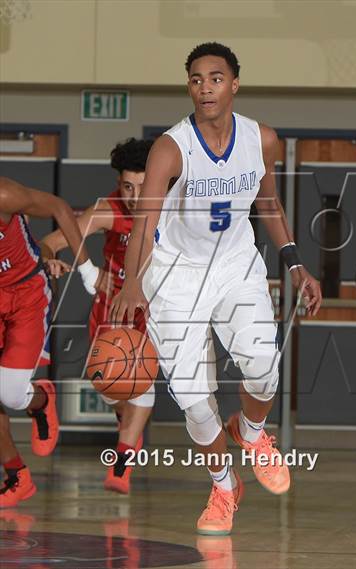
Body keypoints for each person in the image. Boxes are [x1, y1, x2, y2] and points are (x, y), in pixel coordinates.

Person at [110, 42, 322, 534]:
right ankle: (225, 488)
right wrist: (134, 282)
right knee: (194, 403)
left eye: (215, 77)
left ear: (234, 84)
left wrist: (294, 265)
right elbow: (145, 224)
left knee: (264, 369)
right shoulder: (170, 147)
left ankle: (250, 433)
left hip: (234, 265)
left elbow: (268, 203)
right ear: (189, 87)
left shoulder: (262, 139)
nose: (205, 87)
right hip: (175, 276)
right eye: (196, 79)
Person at [42, 139, 156, 495]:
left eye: (143, 186)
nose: (135, 197)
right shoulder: (109, 209)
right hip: (113, 306)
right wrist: (68, 265)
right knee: (109, 385)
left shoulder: (175, 208)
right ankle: (126, 424)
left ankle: (121, 462)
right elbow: (51, 241)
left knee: (144, 380)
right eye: (127, 187)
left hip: (154, 306)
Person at [0, 176, 98, 508]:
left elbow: (58, 207)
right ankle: (17, 477)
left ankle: (40, 400)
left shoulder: (5, 194)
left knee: (10, 395)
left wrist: (87, 270)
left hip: (26, 294)